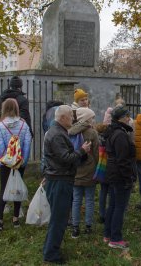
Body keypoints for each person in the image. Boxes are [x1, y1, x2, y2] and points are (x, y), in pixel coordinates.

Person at [42, 105, 91, 263]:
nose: (73, 118)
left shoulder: (59, 131)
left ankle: (50, 248)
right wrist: (82, 151)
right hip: (59, 180)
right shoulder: (57, 134)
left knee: (59, 218)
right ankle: (51, 254)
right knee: (59, 219)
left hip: (60, 178)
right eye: (71, 115)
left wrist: (81, 154)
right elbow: (66, 158)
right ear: (62, 118)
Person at [0, 98, 32, 231]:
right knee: (17, 187)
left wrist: (5, 158)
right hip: (19, 161)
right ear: (17, 108)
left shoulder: (0, 125)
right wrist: (24, 161)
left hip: (6, 162)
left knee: (3, 188)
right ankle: (15, 219)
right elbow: (27, 144)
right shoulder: (24, 125)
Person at [103, 105, 136, 249]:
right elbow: (123, 160)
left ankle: (108, 234)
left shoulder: (113, 131)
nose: (129, 119)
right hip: (120, 175)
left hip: (112, 173)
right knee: (119, 207)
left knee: (113, 204)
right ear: (122, 118)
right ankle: (115, 238)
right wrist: (128, 177)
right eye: (128, 116)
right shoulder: (120, 135)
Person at [69, 108, 99, 238]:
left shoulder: (70, 131)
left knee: (76, 200)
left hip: (75, 168)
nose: (93, 119)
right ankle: (88, 226)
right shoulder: (92, 132)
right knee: (90, 199)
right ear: (87, 119)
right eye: (92, 117)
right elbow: (97, 152)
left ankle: (75, 227)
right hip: (89, 170)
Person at [95, 123, 109, 223]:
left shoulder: (97, 140)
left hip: (101, 168)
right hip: (110, 167)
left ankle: (102, 214)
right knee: (111, 192)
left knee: (103, 192)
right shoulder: (109, 139)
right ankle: (110, 213)